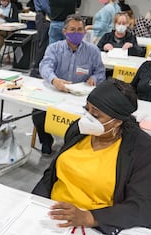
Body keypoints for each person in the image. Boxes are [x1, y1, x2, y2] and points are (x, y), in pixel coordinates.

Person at [32, 78, 151, 235]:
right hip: (53, 213)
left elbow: (145, 207)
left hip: (98, 226)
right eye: (86, 109)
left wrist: (91, 217)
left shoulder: (144, 151)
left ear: (117, 121)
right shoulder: (79, 130)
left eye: (95, 115)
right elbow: (53, 173)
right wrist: (35, 202)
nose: (87, 118)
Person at [34, 15, 106, 155]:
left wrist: (94, 78)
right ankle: (46, 141)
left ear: (85, 32)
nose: (76, 33)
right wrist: (54, 80)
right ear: (64, 31)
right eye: (72, 29)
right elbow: (45, 67)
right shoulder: (54, 48)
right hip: (57, 91)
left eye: (80, 29)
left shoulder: (93, 51)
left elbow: (100, 72)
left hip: (81, 97)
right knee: (37, 113)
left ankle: (73, 146)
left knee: (89, 118)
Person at [31, 0, 54, 78]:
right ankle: (35, 70)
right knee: (42, 43)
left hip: (47, 16)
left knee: (45, 44)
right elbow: (45, 4)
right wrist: (54, 14)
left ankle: (41, 68)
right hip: (43, 16)